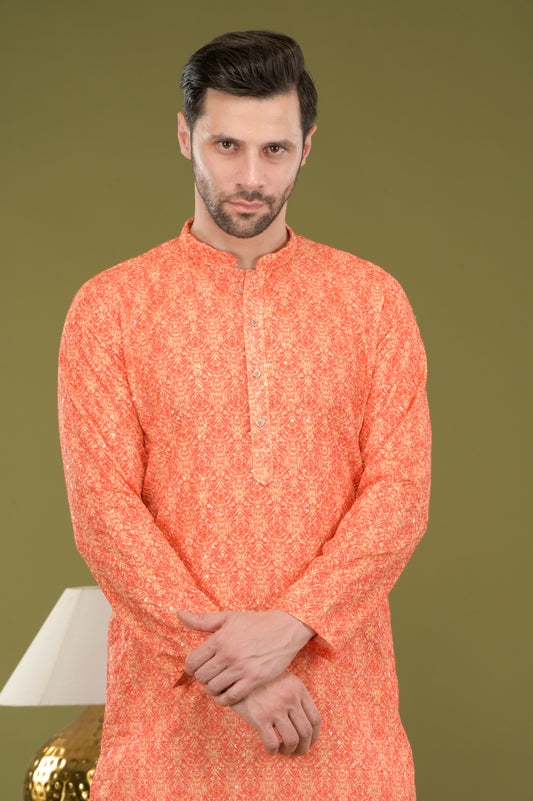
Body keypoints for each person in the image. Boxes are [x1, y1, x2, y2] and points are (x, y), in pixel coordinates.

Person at [58, 30, 431, 801]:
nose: (251, 177)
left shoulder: (371, 303)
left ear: (306, 147)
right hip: (171, 738)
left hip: (340, 725)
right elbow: (103, 510)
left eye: (274, 150)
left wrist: (291, 623)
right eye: (226, 145)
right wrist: (241, 674)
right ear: (184, 135)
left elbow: (399, 493)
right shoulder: (110, 308)